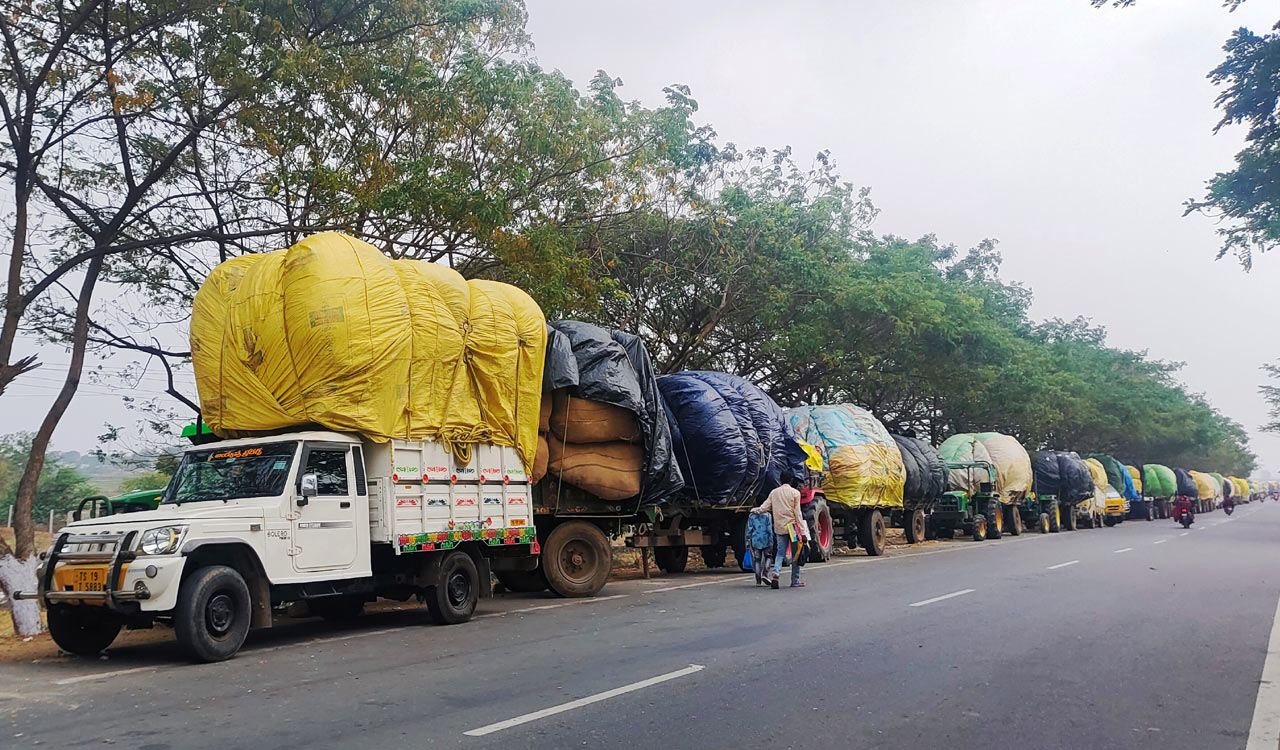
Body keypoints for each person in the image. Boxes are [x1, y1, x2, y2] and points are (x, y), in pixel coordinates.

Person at [752, 482, 806, 589]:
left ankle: (776, 573)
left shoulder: (774, 493)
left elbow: (764, 507)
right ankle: (795, 580)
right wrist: (803, 532)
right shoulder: (795, 493)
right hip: (793, 528)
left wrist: (754, 510)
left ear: (781, 480)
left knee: (780, 553)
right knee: (795, 554)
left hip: (780, 527)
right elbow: (798, 514)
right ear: (791, 481)